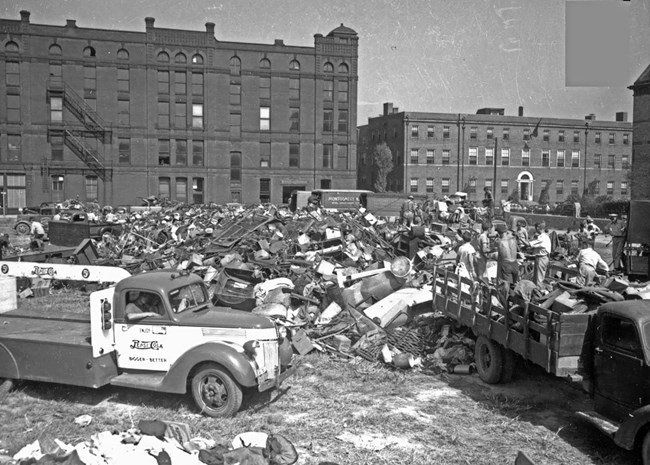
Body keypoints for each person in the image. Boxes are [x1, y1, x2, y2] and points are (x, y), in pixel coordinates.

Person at [528, 222, 551, 287]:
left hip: (541, 258)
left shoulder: (541, 237)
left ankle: (538, 293)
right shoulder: (546, 236)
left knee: (538, 279)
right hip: (545, 258)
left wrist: (520, 238)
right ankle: (539, 290)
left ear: (538, 228)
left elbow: (529, 244)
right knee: (540, 277)